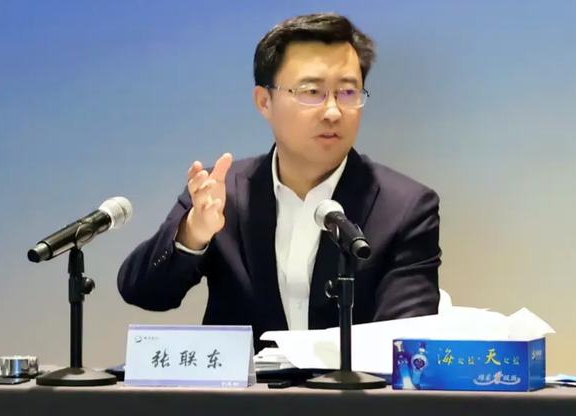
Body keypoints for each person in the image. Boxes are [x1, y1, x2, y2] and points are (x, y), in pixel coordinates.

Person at [118, 13, 442, 351]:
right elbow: (143, 292)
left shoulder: (405, 207)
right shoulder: (223, 194)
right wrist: (193, 234)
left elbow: (406, 343)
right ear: (264, 101)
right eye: (312, 91)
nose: (333, 111)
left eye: (348, 92)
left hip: (352, 388)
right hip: (247, 388)